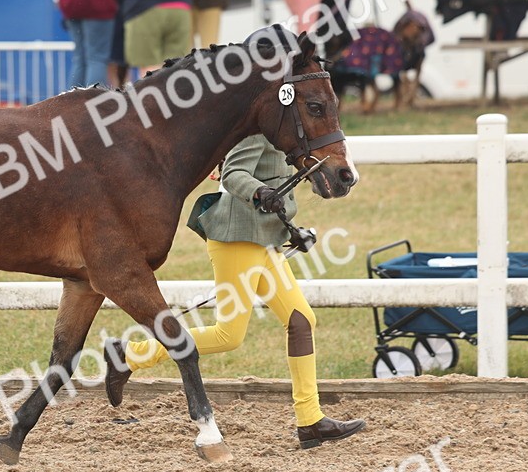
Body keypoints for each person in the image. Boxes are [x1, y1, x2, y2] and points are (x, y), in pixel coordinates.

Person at [102, 129, 366, 450]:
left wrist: (292, 229)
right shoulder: (258, 130)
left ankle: (310, 420)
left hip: (265, 241)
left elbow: (280, 179)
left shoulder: (287, 134)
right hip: (237, 239)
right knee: (229, 335)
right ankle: (129, 355)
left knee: (301, 320)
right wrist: (260, 191)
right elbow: (234, 174)